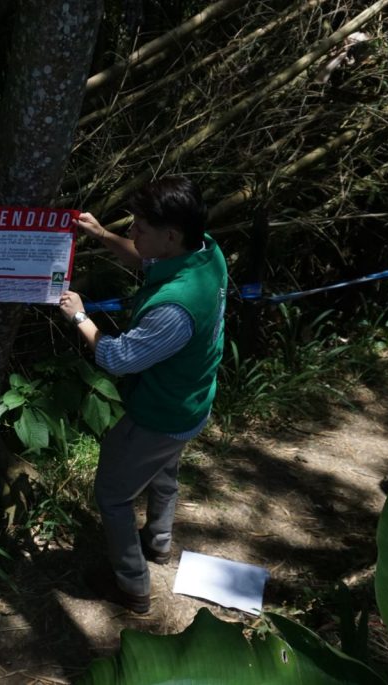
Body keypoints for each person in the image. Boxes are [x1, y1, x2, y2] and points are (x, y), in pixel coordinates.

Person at [58, 176, 227, 614]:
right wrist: (100, 235)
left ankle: (132, 584)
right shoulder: (205, 252)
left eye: (140, 228)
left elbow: (118, 358)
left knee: (113, 495)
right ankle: (159, 542)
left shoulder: (176, 308)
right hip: (191, 399)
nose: (132, 233)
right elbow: (147, 260)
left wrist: (81, 318)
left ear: (170, 235)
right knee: (164, 474)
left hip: (160, 413)